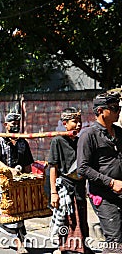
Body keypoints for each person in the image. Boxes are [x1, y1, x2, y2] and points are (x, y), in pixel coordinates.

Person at [77, 92, 122, 251]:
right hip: (103, 194)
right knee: (115, 240)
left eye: (119, 108)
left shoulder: (119, 132)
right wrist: (110, 182)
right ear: (100, 111)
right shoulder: (88, 135)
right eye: (114, 108)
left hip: (120, 191)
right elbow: (82, 168)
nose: (118, 112)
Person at [49, 108, 93, 254]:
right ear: (65, 123)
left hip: (80, 186)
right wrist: (53, 192)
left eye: (80, 121)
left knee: (81, 216)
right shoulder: (57, 141)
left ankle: (82, 246)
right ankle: (66, 247)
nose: (79, 124)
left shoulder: (81, 141)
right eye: (75, 121)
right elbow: (53, 168)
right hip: (65, 187)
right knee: (68, 218)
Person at [0, 113, 33, 253]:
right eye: (12, 122)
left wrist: (29, 179)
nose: (15, 125)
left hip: (19, 182)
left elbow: (27, 164)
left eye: (17, 122)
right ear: (6, 125)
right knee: (11, 210)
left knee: (15, 209)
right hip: (2, 181)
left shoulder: (22, 142)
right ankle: (19, 243)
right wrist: (9, 170)